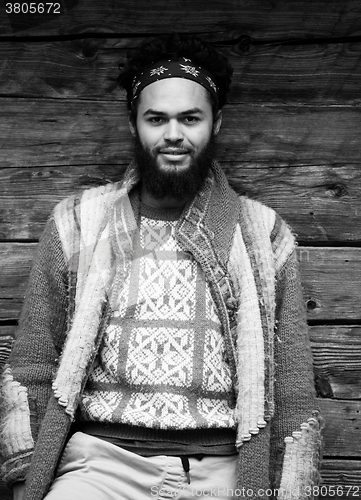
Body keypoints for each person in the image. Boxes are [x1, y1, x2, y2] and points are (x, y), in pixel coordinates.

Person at [1, 33, 322, 500]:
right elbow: (32, 360)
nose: (173, 134)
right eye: (157, 118)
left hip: (223, 472)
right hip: (101, 466)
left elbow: (292, 385)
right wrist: (21, 478)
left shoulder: (261, 234)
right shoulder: (79, 223)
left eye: (190, 118)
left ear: (216, 123)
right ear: (135, 124)